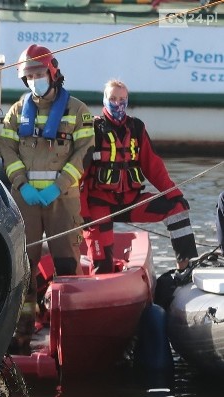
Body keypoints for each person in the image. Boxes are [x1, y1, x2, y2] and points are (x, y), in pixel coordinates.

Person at [0, 44, 95, 354]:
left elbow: (85, 153)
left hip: (62, 200)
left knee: (67, 266)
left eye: (39, 74)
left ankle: (71, 334)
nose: (35, 80)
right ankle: (22, 335)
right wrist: (20, 183)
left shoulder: (78, 111)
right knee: (24, 269)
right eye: (29, 76)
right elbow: (7, 150)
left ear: (52, 72)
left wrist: (61, 183)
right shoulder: (16, 112)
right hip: (25, 201)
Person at [81, 79, 199, 273]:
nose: (118, 103)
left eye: (122, 99)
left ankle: (184, 269)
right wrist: (82, 213)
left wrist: (174, 193)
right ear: (104, 100)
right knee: (102, 265)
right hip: (99, 204)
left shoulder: (136, 128)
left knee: (177, 209)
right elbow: (80, 177)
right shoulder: (91, 129)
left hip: (131, 200)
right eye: (112, 98)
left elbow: (153, 166)